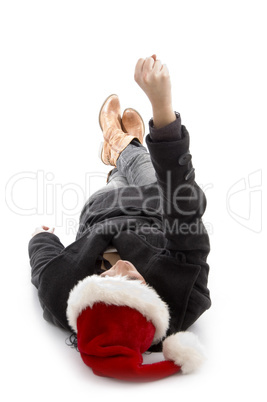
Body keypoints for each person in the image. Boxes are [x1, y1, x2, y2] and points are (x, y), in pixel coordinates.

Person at [29, 55, 211, 381]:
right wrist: (162, 108)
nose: (124, 268)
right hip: (156, 204)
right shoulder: (183, 295)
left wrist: (40, 237)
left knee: (116, 179)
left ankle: (118, 148)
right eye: (134, 283)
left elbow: (43, 265)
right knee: (143, 164)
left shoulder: (60, 295)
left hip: (102, 209)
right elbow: (183, 204)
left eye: (109, 278)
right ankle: (125, 144)